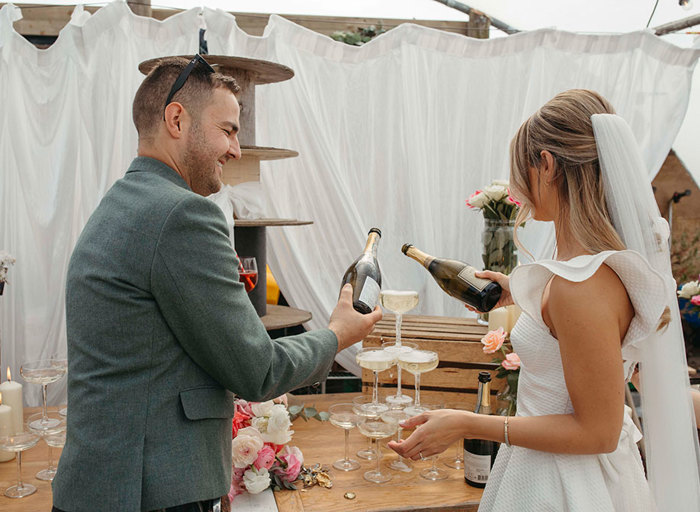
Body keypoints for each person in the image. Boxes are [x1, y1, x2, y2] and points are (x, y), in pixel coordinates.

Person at [52, 55, 382, 512]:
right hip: (151, 495)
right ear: (176, 119)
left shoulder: (122, 201)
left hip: (105, 485)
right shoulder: (182, 214)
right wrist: (337, 335)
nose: (236, 150)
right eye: (227, 130)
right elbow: (258, 371)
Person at [389, 89, 700, 511]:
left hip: (565, 486)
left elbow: (598, 432)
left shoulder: (581, 288)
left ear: (547, 164)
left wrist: (464, 423)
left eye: (521, 169)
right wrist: (524, 293)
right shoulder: (597, 270)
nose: (516, 185)